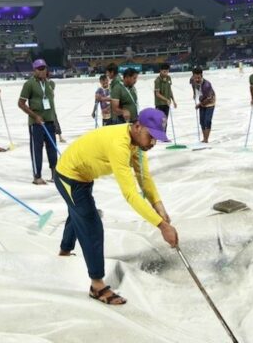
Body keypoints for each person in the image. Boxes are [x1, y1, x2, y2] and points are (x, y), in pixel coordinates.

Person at [55, 108, 179, 304]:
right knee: (91, 223)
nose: (153, 143)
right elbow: (130, 194)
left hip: (84, 175)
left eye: (157, 139)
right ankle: (97, 285)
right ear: (138, 126)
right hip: (69, 176)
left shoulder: (137, 145)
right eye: (151, 136)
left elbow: (144, 178)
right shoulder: (119, 145)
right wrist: (162, 226)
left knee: (78, 211)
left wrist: (159, 207)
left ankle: (64, 251)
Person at [18, 59, 58, 185]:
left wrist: (55, 120)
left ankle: (54, 174)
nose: (42, 71)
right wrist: (35, 116)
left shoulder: (50, 84)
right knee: (37, 150)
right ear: (34, 70)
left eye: (44, 68)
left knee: (52, 148)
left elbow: (51, 103)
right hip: (36, 124)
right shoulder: (29, 84)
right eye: (39, 69)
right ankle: (37, 176)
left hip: (50, 121)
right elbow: (21, 103)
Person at [190, 67, 216, 143]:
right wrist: (194, 93)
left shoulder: (207, 85)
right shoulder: (192, 80)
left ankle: (206, 139)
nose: (197, 80)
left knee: (207, 120)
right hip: (202, 99)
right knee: (202, 121)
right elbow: (193, 85)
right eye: (195, 78)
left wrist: (199, 105)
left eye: (198, 78)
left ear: (202, 76)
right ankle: (204, 138)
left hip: (210, 101)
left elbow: (209, 99)